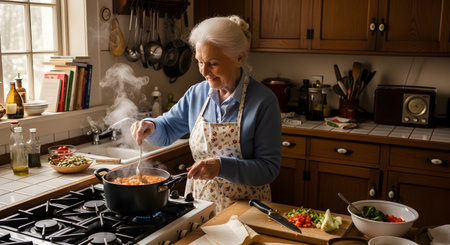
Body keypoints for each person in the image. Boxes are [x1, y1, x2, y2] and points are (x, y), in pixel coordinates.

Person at [131, 15, 281, 213]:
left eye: (213, 63)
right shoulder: (197, 94)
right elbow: (167, 129)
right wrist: (151, 126)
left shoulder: (263, 101)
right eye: (199, 62)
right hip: (201, 205)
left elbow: (268, 169)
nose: (204, 71)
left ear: (239, 58)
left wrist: (221, 167)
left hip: (247, 210)